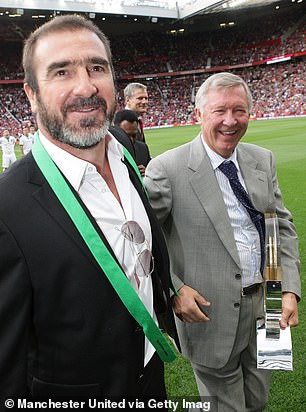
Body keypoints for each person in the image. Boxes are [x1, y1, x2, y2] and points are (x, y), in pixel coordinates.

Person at [0, 14, 178, 402]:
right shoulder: (6, 208)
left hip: (150, 381)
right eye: (61, 72)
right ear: (30, 94)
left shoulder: (123, 148)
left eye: (96, 67)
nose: (86, 86)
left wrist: (169, 289)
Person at [144, 72, 301, 412]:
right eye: (219, 111)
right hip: (209, 312)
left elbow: (279, 225)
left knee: (258, 399)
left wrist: (287, 287)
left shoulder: (262, 159)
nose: (230, 121)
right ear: (198, 114)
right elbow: (144, 242)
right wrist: (174, 290)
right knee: (226, 406)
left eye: (239, 110)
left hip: (269, 299)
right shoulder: (166, 169)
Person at [113, 109, 151, 177]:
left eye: (134, 135)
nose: (131, 140)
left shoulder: (143, 149)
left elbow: (151, 176)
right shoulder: (107, 152)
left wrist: (147, 173)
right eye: (126, 135)